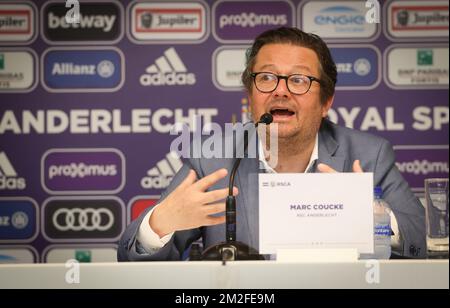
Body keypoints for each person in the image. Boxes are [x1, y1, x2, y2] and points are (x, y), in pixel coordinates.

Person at [118, 27, 426, 261]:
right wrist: (159, 224)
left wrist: (379, 221)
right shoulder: (213, 160)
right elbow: (130, 256)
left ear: (326, 101)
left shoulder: (368, 155)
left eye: (299, 80)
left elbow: (423, 243)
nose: (280, 91)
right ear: (249, 95)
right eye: (266, 78)